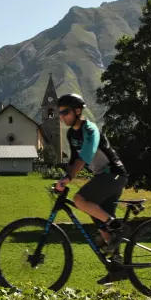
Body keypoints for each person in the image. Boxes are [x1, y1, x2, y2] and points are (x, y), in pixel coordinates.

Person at [52, 93, 129, 284]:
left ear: (78, 111)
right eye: (59, 112)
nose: (62, 116)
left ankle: (118, 227)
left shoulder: (90, 129)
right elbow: (72, 161)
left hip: (114, 174)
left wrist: (69, 178)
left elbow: (86, 154)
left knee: (79, 200)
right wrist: (64, 177)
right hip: (104, 177)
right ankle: (118, 269)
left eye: (65, 112)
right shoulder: (71, 134)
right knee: (103, 231)